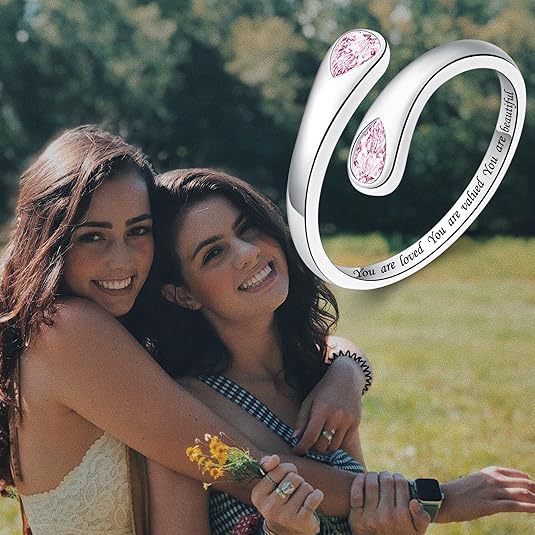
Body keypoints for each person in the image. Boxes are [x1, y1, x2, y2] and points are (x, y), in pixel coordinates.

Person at [0, 125, 375, 535]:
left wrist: (346, 371)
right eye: (93, 236)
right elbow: (244, 469)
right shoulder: (65, 327)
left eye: (138, 230)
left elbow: (322, 347)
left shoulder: (107, 330)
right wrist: (409, 496)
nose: (122, 260)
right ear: (51, 239)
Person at [146, 167, 535, 534]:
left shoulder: (316, 373)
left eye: (247, 228)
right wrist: (440, 500)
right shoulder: (182, 408)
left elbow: (360, 509)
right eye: (213, 253)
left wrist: (346, 371)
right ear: (182, 294)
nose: (247, 252)